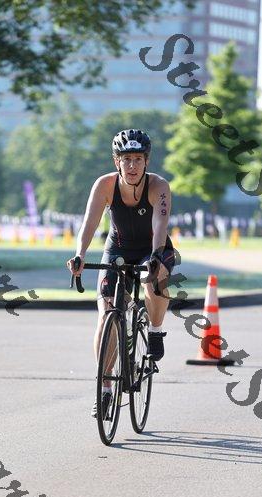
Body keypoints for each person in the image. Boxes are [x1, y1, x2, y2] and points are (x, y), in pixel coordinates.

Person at [66, 128, 176, 418]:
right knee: (106, 315)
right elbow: (89, 223)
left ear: (146, 161)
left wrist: (155, 257)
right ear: (117, 162)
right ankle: (104, 388)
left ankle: (155, 332)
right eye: (126, 159)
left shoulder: (159, 186)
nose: (132, 166)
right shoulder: (104, 185)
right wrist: (80, 255)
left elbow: (160, 225)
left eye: (138, 159)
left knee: (152, 281)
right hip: (117, 248)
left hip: (153, 247)